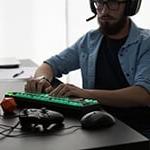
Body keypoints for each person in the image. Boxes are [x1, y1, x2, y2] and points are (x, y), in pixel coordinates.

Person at [25, 0, 150, 137]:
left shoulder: (146, 43)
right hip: (95, 122)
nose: (104, 11)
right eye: (99, 3)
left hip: (137, 130)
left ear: (130, 6)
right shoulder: (90, 39)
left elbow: (143, 95)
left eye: (113, 3)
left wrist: (85, 93)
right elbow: (50, 65)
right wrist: (41, 79)